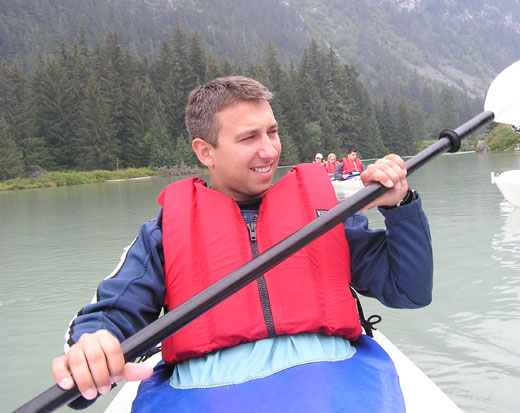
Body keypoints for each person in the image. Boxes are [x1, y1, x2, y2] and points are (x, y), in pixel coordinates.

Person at [51, 76, 433, 410]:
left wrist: (400, 207)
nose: (269, 150)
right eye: (249, 138)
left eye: (272, 131)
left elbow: (410, 290)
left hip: (332, 381)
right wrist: (92, 344)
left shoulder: (327, 215)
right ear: (205, 151)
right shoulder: (162, 234)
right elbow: (111, 315)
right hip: (203, 391)